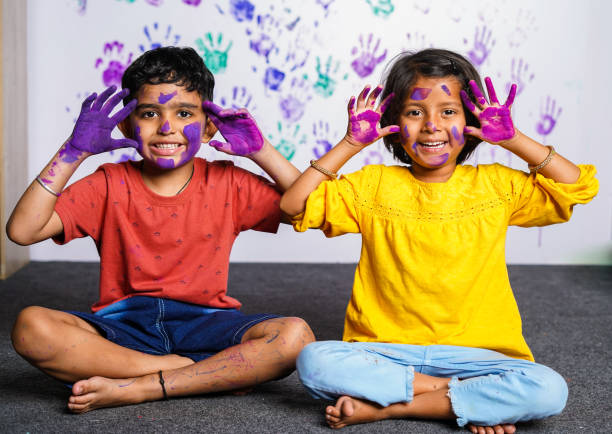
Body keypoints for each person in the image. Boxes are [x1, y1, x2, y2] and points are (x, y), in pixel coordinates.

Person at [280, 48, 598, 434]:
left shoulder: (496, 184)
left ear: (471, 118)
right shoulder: (373, 186)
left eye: (448, 111)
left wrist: (514, 140)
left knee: (550, 390)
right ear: (394, 121)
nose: (432, 125)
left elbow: (577, 185)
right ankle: (463, 397)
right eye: (415, 112)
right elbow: (294, 204)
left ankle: (388, 408)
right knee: (314, 360)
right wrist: (350, 143)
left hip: (482, 354)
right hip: (388, 351)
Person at [8, 46, 314, 413]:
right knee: (30, 327)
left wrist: (261, 151)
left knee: (295, 337)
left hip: (207, 324)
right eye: (150, 114)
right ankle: (197, 375)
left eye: (184, 113)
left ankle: (142, 387)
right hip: (124, 330)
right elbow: (22, 231)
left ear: (208, 124)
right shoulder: (107, 183)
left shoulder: (229, 183)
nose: (167, 127)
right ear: (125, 124)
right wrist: (73, 151)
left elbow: (310, 209)